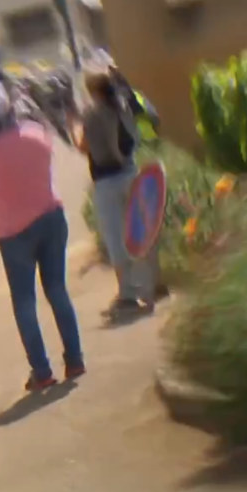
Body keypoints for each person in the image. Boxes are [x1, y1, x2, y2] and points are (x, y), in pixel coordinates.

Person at [0, 81, 85, 391]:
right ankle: (75, 359)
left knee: (24, 302)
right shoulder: (34, 133)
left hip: (13, 233)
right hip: (50, 217)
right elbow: (48, 150)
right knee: (57, 289)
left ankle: (41, 372)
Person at [77, 69, 157, 317]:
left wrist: (72, 127)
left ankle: (127, 295)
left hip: (107, 181)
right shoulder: (124, 106)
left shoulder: (92, 114)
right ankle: (150, 289)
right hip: (132, 173)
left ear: (93, 91)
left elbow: (84, 147)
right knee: (140, 232)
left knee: (115, 238)